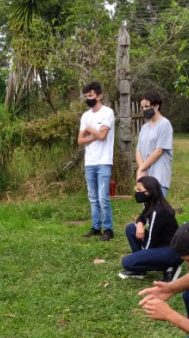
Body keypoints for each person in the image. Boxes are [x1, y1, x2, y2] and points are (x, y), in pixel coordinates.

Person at [118, 176, 182, 283]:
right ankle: (140, 270)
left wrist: (141, 259)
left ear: (148, 192)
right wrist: (139, 225)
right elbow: (142, 217)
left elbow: (150, 244)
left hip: (171, 251)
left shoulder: (159, 211)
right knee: (131, 228)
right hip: (160, 244)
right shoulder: (150, 202)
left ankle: (170, 267)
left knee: (127, 262)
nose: (136, 192)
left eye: (139, 190)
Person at [77, 81, 115, 241]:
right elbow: (80, 140)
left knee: (103, 197)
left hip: (104, 161)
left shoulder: (108, 113)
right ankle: (95, 227)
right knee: (92, 197)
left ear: (99, 96)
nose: (88, 99)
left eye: (91, 96)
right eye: (86, 96)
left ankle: (108, 229)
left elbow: (103, 136)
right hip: (89, 162)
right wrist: (95, 134)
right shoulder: (85, 116)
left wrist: (88, 130)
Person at [135, 91, 173, 197]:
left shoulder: (164, 124)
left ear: (156, 106)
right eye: (142, 107)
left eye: (147, 106)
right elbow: (138, 151)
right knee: (146, 210)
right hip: (145, 176)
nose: (144, 110)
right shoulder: (144, 128)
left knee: (157, 210)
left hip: (159, 176)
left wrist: (142, 169)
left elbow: (159, 151)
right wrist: (142, 170)